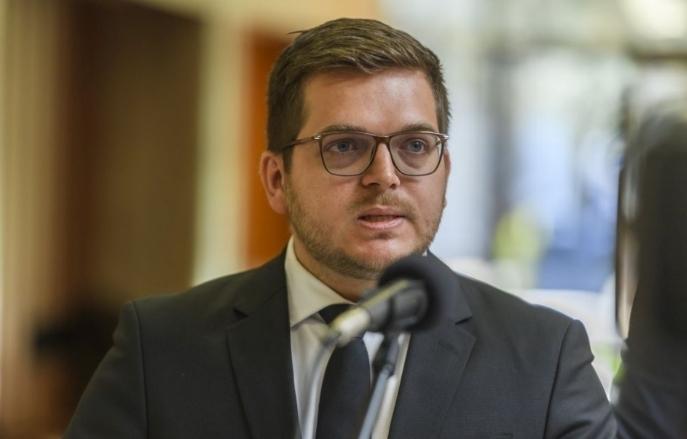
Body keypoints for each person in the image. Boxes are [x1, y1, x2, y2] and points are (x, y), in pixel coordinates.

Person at [64, 18, 615, 438]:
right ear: (277, 179)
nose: (385, 176)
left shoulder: (543, 356)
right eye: (345, 146)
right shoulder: (161, 346)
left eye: (415, 145)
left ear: (444, 172)